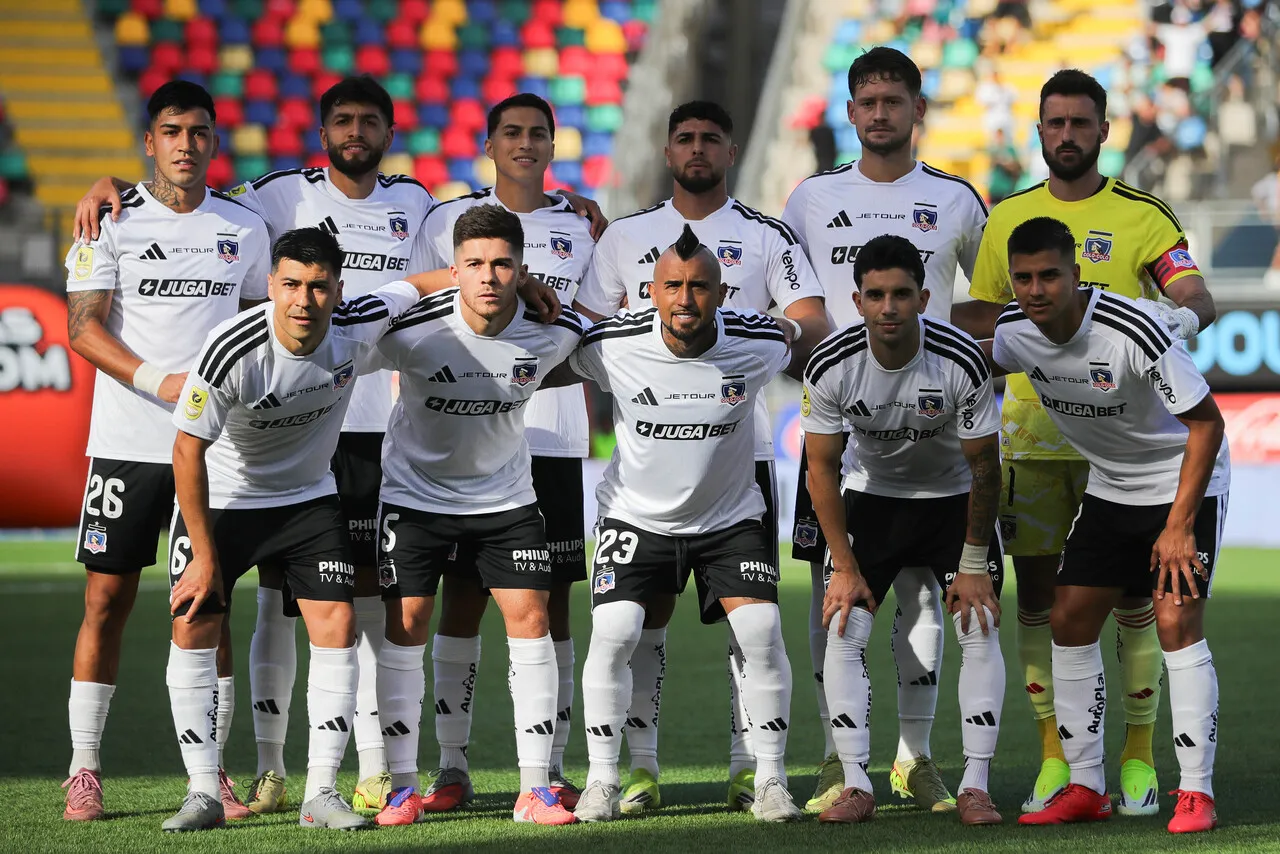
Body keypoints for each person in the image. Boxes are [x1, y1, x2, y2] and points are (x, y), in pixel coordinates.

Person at [70, 76, 600, 816]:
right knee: (196, 603)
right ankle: (233, 768)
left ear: (389, 131)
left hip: (354, 427)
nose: (356, 131)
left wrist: (540, 255)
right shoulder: (261, 200)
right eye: (342, 120)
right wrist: (116, 187)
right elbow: (145, 244)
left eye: (370, 120)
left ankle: (374, 771)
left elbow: (451, 273)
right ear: (321, 133)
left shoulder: (415, 205)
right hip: (200, 435)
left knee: (358, 607)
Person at [952, 68, 1217, 816]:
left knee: (1146, 607)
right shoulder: (1008, 218)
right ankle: (1060, 762)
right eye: (1054, 122)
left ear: (1103, 130)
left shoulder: (1144, 215)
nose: (1066, 134)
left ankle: (1142, 759)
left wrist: (1181, 319)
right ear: (1038, 131)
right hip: (1034, 442)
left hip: (1142, 447)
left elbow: (1193, 294)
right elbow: (980, 321)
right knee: (1049, 607)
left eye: (1079, 122)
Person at [571, 99, 829, 814]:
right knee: (636, 625)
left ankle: (755, 770)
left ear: (730, 150)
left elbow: (809, 323)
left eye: (710, 138)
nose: (696, 149)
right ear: (666, 150)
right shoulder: (626, 235)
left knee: (755, 629)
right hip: (646, 469)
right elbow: (584, 330)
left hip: (739, 459)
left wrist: (755, 335)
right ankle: (635, 771)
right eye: (683, 137)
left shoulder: (767, 236)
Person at [162, 226, 435, 831]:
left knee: (337, 626)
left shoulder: (356, 326)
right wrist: (203, 556)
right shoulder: (231, 347)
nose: (303, 300)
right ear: (270, 286)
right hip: (227, 501)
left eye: (317, 287)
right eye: (291, 285)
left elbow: (419, 285)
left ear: (338, 290)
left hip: (309, 499)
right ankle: (203, 792)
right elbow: (186, 450)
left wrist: (516, 281)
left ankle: (320, 794)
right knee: (194, 620)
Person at [780, 46, 989, 814]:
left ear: (916, 110)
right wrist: (833, 368)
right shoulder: (809, 198)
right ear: (850, 112)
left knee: (926, 600)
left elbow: (986, 300)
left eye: (892, 101)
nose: (879, 113)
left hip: (934, 432)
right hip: (844, 423)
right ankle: (840, 761)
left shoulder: (957, 200)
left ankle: (914, 758)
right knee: (833, 596)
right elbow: (791, 295)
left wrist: (957, 367)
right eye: (866, 102)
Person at [61, 80, 270, 823]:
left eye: (199, 132)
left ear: (215, 141)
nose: (186, 144)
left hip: (210, 451)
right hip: (124, 445)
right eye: (172, 131)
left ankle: (212, 777)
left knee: (207, 606)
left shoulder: (244, 227)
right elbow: (82, 330)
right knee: (105, 601)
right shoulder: (107, 220)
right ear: (149, 141)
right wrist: (165, 382)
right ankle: (84, 768)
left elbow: (260, 326)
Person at [991, 217, 1229, 835]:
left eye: (1049, 276)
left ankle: (1196, 793)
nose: (1036, 290)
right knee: (1068, 618)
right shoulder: (1013, 333)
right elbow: (960, 353)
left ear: (1076, 275)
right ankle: (1086, 785)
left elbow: (1207, 424)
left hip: (1183, 480)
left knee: (1175, 622)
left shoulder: (1133, 329)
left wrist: (1179, 526)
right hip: (1112, 486)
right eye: (1023, 278)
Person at [407, 94, 596, 812]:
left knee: (551, 603)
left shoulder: (585, 224)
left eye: (537, 133)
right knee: (460, 596)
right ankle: (451, 766)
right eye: (511, 132)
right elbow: (414, 308)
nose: (525, 143)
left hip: (555, 436)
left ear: (553, 143)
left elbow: (595, 320)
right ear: (488, 144)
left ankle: (550, 765)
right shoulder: (445, 220)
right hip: (463, 440)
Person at [370, 205, 586, 827]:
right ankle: (407, 785)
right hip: (415, 498)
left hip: (505, 501)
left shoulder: (554, 329)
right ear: (454, 270)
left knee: (533, 618)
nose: (488, 276)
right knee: (408, 621)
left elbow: (618, 337)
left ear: (522, 269)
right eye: (474, 264)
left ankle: (536, 787)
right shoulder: (409, 331)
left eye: (502, 264)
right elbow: (340, 336)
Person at [802, 234, 1006, 826]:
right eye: (875, 295)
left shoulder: (960, 358)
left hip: (953, 499)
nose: (888, 307)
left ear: (923, 298)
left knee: (979, 623)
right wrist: (843, 565)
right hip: (872, 499)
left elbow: (985, 467)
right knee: (844, 623)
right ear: (857, 301)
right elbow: (821, 468)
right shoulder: (832, 364)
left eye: (900, 294)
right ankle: (855, 783)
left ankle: (975, 786)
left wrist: (973, 563)